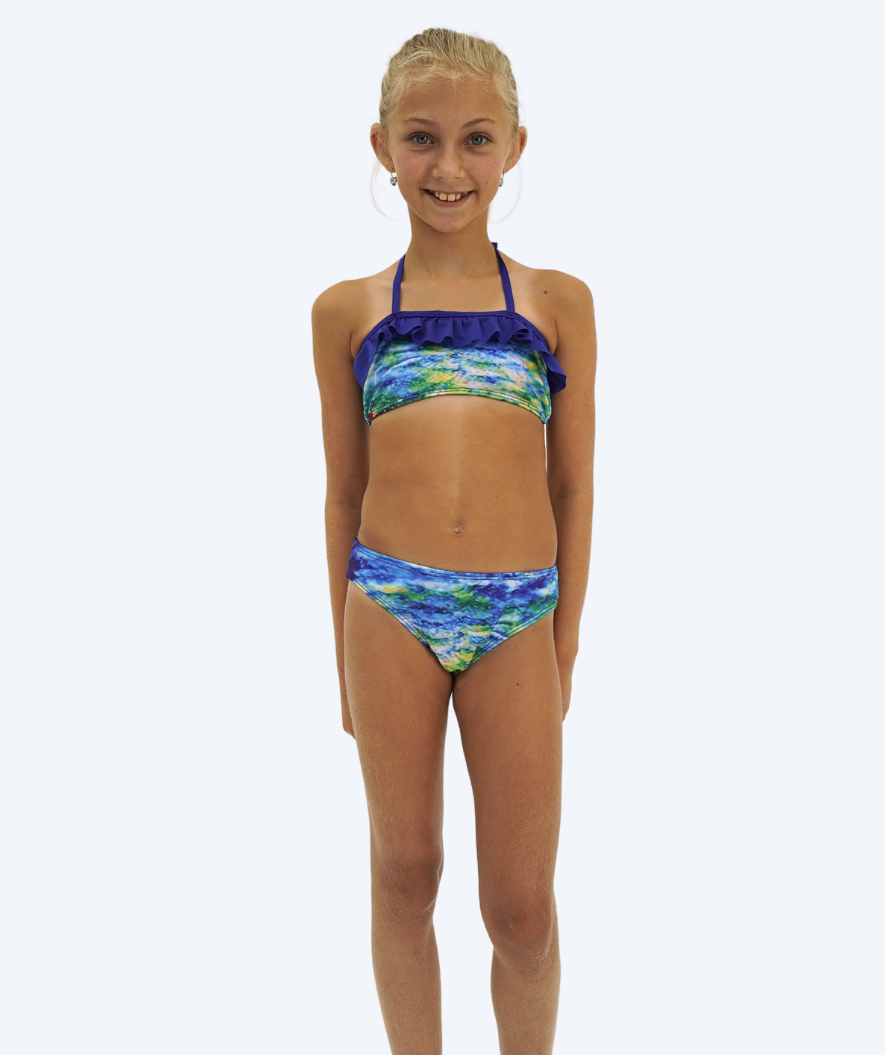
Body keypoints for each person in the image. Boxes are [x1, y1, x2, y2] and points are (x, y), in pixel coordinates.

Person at [312, 27, 596, 1055]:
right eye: (421, 137)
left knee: (521, 909)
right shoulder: (347, 311)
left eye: (476, 138)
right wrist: (341, 660)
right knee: (404, 870)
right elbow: (344, 493)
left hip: (518, 608)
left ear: (513, 147)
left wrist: (563, 641)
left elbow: (572, 483)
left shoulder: (555, 303)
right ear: (381, 145)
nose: (447, 165)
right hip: (387, 604)